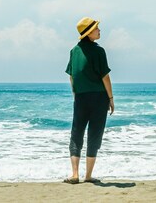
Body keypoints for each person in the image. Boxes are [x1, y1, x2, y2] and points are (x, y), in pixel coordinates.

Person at [63, 16, 114, 184]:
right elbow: (105, 77)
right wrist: (111, 98)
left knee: (76, 134)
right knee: (95, 134)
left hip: (80, 97)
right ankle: (88, 176)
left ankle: (75, 174)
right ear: (89, 33)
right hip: (99, 98)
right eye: (97, 28)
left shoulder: (74, 50)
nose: (99, 30)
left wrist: (76, 94)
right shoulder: (99, 51)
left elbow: (72, 76)